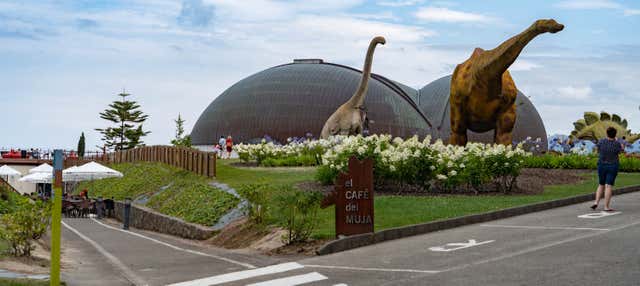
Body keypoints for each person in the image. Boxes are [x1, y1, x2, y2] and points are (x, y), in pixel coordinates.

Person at [591, 127, 624, 211]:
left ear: (607, 133)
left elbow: (597, 150)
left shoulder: (601, 142)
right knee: (608, 186)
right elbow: (621, 151)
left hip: (601, 165)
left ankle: (596, 202)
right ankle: (606, 207)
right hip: (613, 166)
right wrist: (621, 144)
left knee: (601, 184)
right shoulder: (617, 144)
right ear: (615, 134)